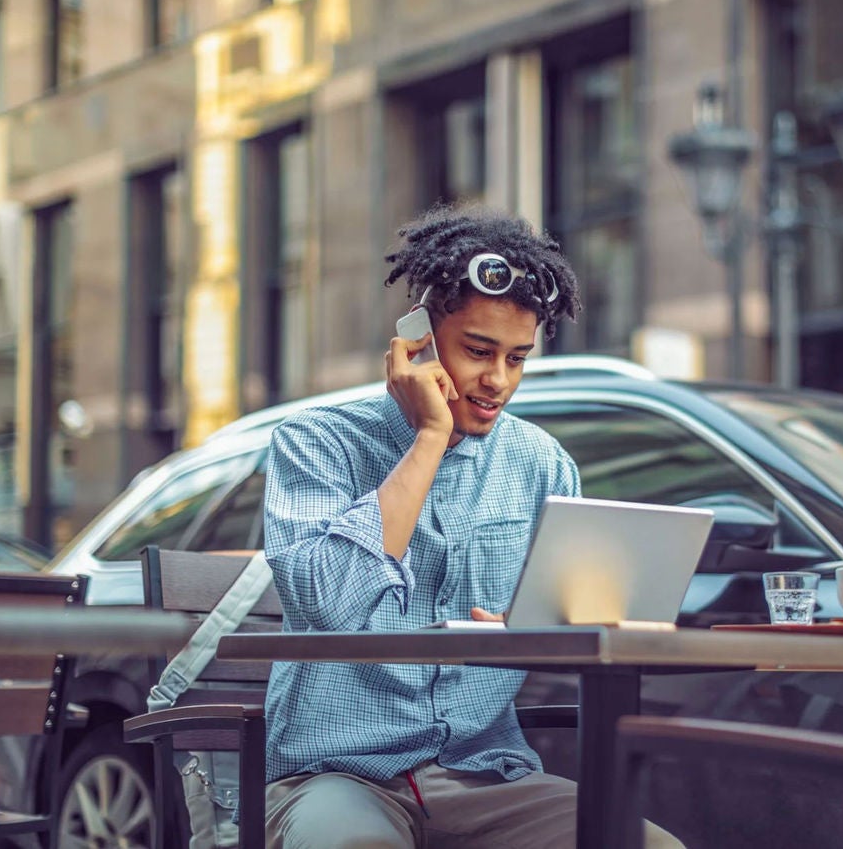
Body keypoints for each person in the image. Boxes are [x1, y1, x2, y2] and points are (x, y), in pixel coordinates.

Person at [260, 205, 681, 849]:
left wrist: (567, 631)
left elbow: (576, 632)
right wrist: (430, 435)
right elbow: (331, 604)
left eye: (517, 358)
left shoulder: (543, 465)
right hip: (337, 776)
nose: (498, 381)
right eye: (479, 352)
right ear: (419, 341)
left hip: (487, 777)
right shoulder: (317, 443)